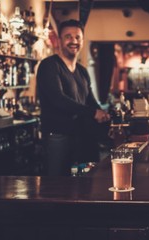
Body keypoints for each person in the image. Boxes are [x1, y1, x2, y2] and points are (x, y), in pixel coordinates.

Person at [37, 19, 110, 176]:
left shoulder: (82, 71)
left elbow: (90, 100)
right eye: (68, 37)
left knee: (84, 183)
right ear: (59, 40)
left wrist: (104, 113)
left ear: (82, 40)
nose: (74, 41)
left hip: (81, 136)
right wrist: (93, 113)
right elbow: (58, 99)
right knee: (57, 185)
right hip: (58, 137)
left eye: (77, 37)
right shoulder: (49, 66)